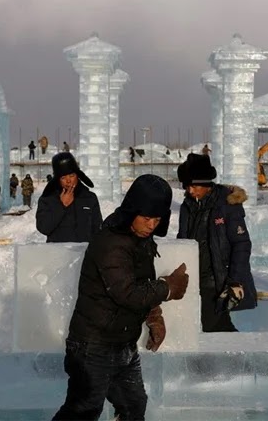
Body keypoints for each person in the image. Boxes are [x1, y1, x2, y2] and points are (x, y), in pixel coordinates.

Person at [51, 174, 190, 421]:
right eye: (146, 218)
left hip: (122, 342)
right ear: (132, 211)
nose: (151, 225)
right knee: (83, 410)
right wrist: (168, 288)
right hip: (92, 346)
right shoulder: (112, 242)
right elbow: (126, 293)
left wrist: (154, 316)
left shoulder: (142, 240)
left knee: (133, 406)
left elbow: (142, 283)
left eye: (157, 219)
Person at [176, 153, 258, 332]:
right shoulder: (187, 206)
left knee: (214, 324)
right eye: (187, 186)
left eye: (194, 186)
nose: (190, 191)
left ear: (206, 184)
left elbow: (241, 244)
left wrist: (235, 280)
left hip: (216, 280)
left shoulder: (227, 205)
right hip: (194, 278)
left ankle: (234, 358)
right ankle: (231, 358)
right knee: (212, 326)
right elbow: (182, 240)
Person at [36, 152, 102, 242]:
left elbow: (98, 230)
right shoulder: (48, 199)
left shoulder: (89, 198)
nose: (68, 181)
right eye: (63, 177)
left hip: (84, 254)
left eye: (72, 175)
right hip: (58, 254)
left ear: (78, 175)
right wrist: (61, 206)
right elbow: (44, 228)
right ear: (57, 179)